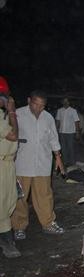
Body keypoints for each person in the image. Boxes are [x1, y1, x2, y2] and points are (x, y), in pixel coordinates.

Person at [11, 90, 65, 240]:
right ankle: (19, 226)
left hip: (43, 163)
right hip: (22, 163)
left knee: (45, 195)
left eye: (42, 106)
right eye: (36, 104)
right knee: (20, 197)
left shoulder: (48, 118)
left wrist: (58, 158)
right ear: (29, 101)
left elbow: (53, 138)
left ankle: (48, 223)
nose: (38, 108)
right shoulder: (17, 114)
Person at [0, 76, 21, 257]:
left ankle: (7, 241)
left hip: (7, 163)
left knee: (8, 201)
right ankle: (7, 243)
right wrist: (13, 112)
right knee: (2, 203)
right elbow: (13, 135)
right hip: (1, 164)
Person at [55, 98, 80, 166]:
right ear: (62, 102)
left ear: (69, 102)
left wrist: (77, 132)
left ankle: (72, 162)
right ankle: (65, 162)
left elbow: (76, 121)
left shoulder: (73, 110)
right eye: (64, 101)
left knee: (70, 147)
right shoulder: (59, 110)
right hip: (62, 132)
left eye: (67, 101)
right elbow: (58, 121)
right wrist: (55, 131)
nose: (65, 102)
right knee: (63, 148)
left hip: (71, 132)